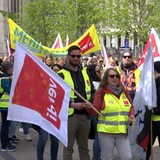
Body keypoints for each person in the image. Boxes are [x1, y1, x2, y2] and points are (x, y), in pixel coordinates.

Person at [87, 68, 135, 160]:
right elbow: (95, 111)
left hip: (122, 132)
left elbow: (131, 107)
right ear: (106, 78)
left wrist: (131, 115)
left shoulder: (124, 91)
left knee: (127, 157)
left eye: (117, 76)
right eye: (112, 76)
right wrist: (89, 107)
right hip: (106, 133)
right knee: (107, 158)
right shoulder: (101, 93)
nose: (115, 78)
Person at [58, 45, 95, 160]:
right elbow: (57, 98)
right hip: (70, 118)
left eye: (78, 56)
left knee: (84, 148)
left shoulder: (85, 72)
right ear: (68, 56)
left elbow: (93, 92)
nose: (75, 58)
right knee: (68, 148)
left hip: (85, 116)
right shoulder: (61, 74)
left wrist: (91, 102)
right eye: (73, 56)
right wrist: (72, 104)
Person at [0, 61, 17, 151]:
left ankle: (6, 142)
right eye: (12, 68)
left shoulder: (5, 77)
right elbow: (11, 91)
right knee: (5, 126)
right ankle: (4, 145)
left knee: (6, 125)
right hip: (4, 105)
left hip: (6, 106)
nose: (13, 70)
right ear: (8, 69)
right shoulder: (4, 79)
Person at [146, 61, 160, 160]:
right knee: (148, 146)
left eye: (154, 71)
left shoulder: (156, 84)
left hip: (156, 120)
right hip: (152, 121)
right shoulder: (153, 83)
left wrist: (154, 110)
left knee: (149, 146)